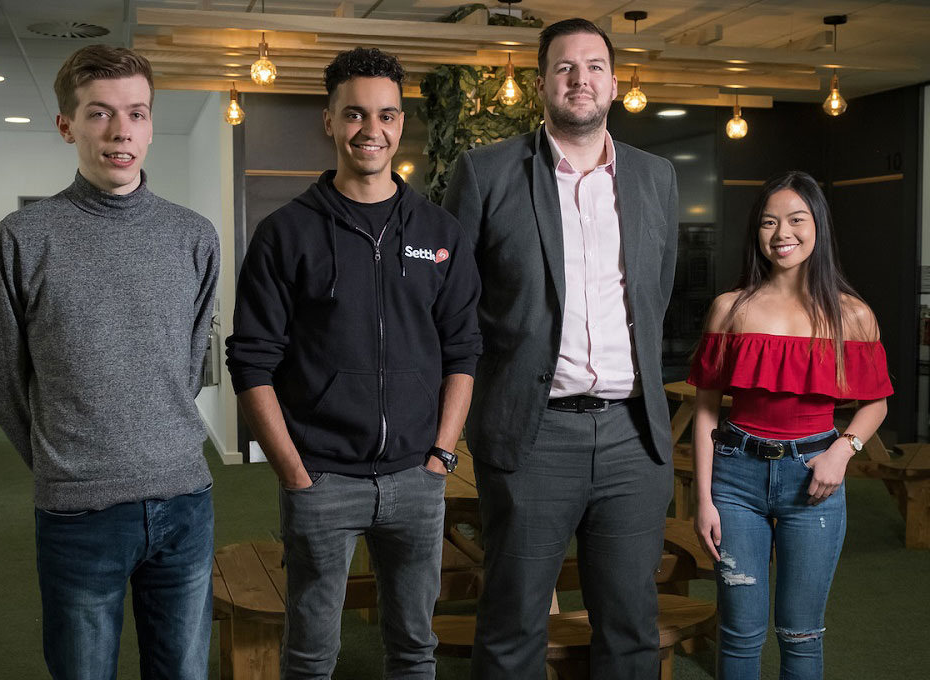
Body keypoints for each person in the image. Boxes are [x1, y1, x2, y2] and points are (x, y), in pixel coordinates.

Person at [225, 47, 481, 679]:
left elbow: (463, 351)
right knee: (312, 656)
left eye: (388, 115)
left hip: (416, 481)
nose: (373, 130)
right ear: (330, 120)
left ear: (401, 121)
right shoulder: (285, 234)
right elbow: (252, 363)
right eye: (356, 114)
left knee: (414, 651)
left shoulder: (439, 231)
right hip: (322, 481)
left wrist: (440, 457)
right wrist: (294, 472)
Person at [442, 17, 679, 680]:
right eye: (565, 67)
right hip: (532, 435)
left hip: (635, 437)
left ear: (614, 81)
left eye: (594, 66)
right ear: (541, 82)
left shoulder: (655, 177)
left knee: (631, 628)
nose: (581, 79)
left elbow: (656, 295)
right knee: (513, 624)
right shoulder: (486, 172)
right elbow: (451, 299)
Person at [0, 45, 219, 680]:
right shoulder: (25, 237)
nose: (121, 132)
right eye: (100, 113)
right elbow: (2, 376)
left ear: (149, 123)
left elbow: (191, 360)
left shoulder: (193, 235)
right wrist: (64, 464)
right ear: (67, 126)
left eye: (137, 114)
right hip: (79, 511)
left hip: (184, 500)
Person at [688, 170, 892, 679]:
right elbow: (708, 408)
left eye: (797, 220)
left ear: (817, 225)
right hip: (735, 480)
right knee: (739, 633)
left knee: (801, 634)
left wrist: (842, 450)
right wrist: (704, 498)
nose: (783, 233)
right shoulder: (729, 309)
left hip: (814, 480)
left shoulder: (853, 315)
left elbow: (877, 403)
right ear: (756, 232)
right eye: (769, 222)